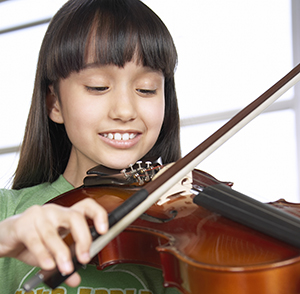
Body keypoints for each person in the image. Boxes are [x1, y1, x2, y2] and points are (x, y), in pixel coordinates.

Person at [0, 0, 181, 293]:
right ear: (54, 103)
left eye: (146, 89)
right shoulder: (7, 211)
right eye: (98, 86)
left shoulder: (181, 240)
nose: (124, 111)